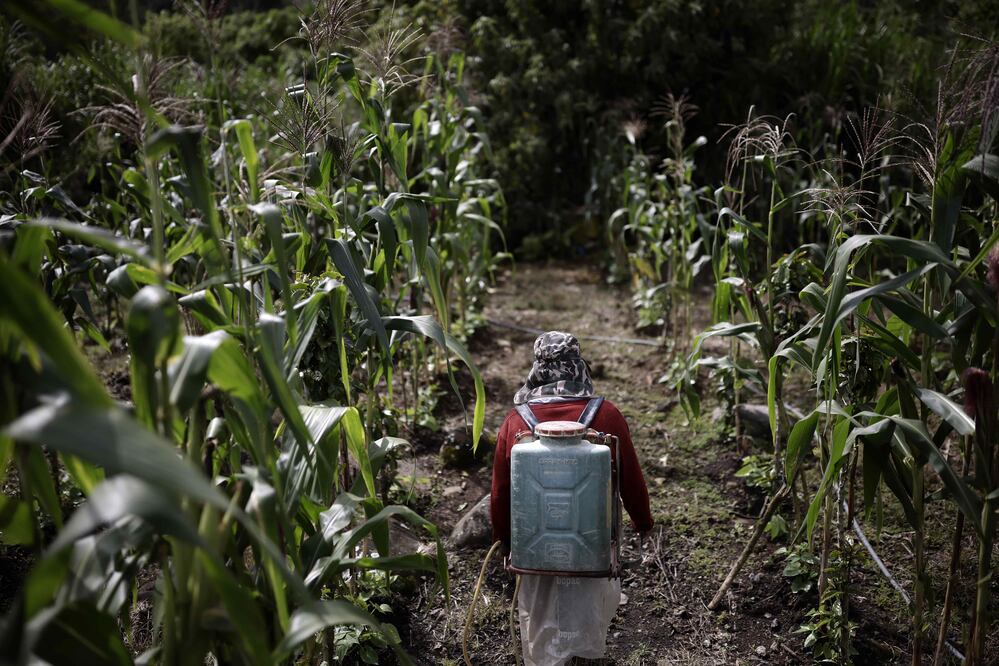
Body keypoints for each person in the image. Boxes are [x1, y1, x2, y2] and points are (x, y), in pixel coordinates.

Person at [490, 331, 654, 666]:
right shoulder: (607, 416)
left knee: (539, 616)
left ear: (538, 367)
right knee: (589, 607)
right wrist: (643, 522)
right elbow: (630, 479)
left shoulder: (516, 421)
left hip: (534, 551)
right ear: (578, 365)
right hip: (592, 544)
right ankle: (583, 655)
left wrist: (504, 541)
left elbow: (502, 491)